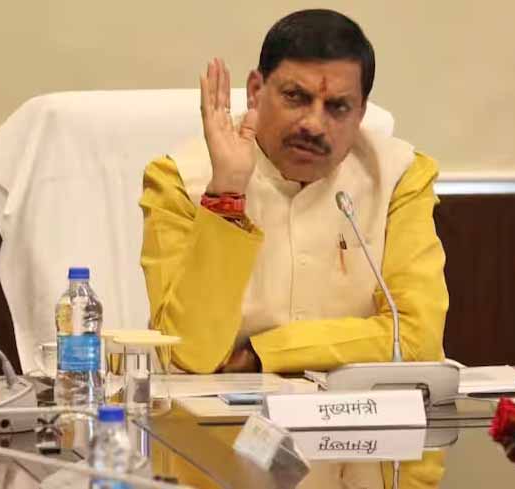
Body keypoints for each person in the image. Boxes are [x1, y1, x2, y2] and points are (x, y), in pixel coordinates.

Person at [141, 8, 448, 488]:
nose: (314, 124)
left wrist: (262, 353)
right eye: (295, 97)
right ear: (255, 91)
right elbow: (189, 355)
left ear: (361, 113)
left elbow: (413, 340)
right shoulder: (181, 179)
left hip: (368, 454)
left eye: (337, 107)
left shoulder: (399, 178)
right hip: (219, 455)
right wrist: (227, 194)